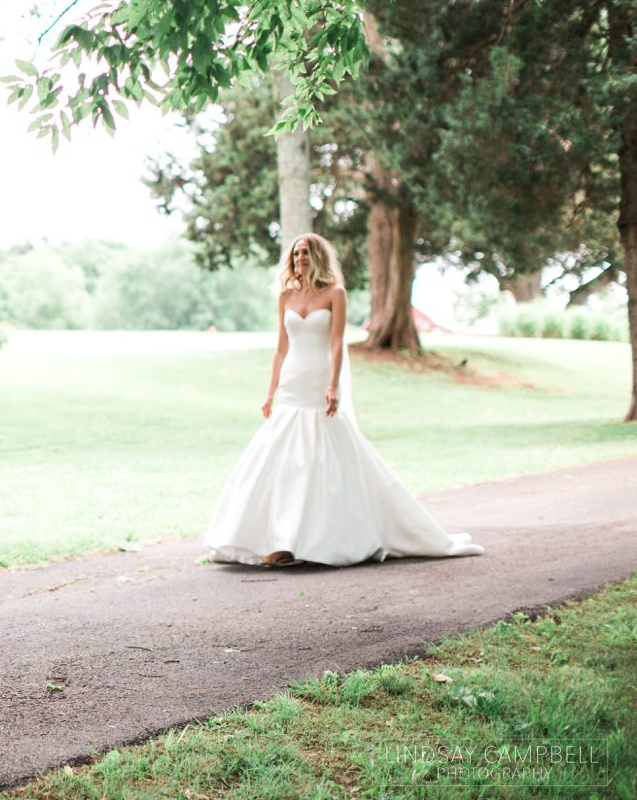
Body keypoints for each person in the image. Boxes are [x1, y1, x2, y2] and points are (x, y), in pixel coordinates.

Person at [204, 233, 482, 567]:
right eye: (295, 254)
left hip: (320, 377)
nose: (299, 259)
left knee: (320, 454)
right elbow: (281, 348)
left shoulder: (335, 293)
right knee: (282, 456)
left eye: (305, 253)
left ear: (318, 256)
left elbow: (337, 344)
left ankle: (313, 540)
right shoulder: (286, 296)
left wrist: (333, 385)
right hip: (293, 381)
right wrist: (270, 391)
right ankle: (278, 541)